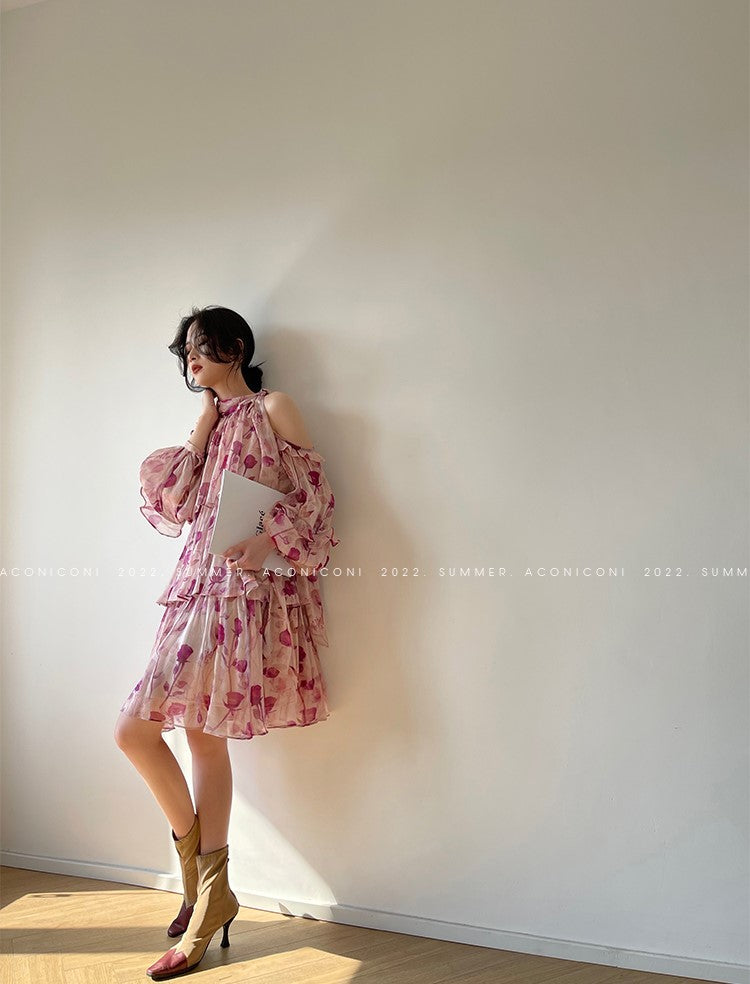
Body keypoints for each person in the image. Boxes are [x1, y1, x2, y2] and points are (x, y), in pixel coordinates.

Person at [113, 305, 340, 980]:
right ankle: (206, 889)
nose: (191, 360)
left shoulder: (275, 408)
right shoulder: (209, 422)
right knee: (135, 732)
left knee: (203, 737)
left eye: (201, 347)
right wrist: (201, 428)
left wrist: (267, 543)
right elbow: (177, 505)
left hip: (243, 589)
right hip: (194, 587)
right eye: (185, 352)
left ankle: (207, 897)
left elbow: (318, 501)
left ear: (235, 346)